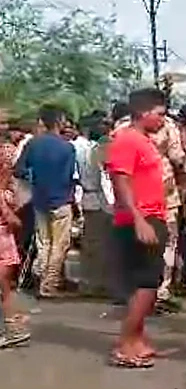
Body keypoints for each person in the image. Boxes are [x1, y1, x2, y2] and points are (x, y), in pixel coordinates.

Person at [106, 88, 171, 368]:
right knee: (147, 284)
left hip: (152, 216)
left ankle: (136, 338)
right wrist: (139, 219)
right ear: (144, 112)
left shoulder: (143, 141)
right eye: (159, 115)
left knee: (147, 283)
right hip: (140, 219)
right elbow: (121, 182)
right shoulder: (127, 140)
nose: (162, 120)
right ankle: (124, 345)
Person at [15, 106, 77, 298]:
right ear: (60, 122)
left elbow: (18, 170)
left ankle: (40, 276)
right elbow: (70, 177)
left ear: (42, 122)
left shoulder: (33, 144)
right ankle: (49, 284)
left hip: (40, 199)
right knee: (60, 245)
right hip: (61, 200)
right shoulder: (68, 147)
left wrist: (35, 177)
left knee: (44, 242)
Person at [149, 107, 186, 312]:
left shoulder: (124, 127)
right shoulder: (168, 127)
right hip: (165, 195)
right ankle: (160, 292)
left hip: (137, 195)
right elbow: (178, 159)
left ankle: (141, 291)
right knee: (168, 244)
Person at [77, 116, 115, 299]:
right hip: (101, 201)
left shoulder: (84, 150)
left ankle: (88, 282)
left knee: (90, 244)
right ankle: (97, 283)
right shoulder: (100, 151)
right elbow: (104, 178)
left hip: (88, 199)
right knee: (102, 246)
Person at [0, 117, 28, 349]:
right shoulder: (8, 151)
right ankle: (11, 325)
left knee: (4, 279)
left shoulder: (7, 152)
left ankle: (12, 325)